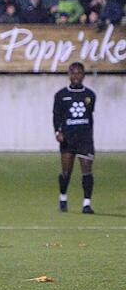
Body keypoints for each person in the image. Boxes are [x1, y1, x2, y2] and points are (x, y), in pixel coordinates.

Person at [53, 62, 96, 214]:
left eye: (79, 73)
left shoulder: (90, 95)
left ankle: (86, 204)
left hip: (85, 139)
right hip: (68, 138)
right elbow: (56, 116)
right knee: (66, 172)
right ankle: (63, 198)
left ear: (83, 75)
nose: (76, 76)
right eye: (73, 73)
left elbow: (89, 115)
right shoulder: (61, 95)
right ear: (69, 75)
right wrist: (57, 132)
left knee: (87, 170)